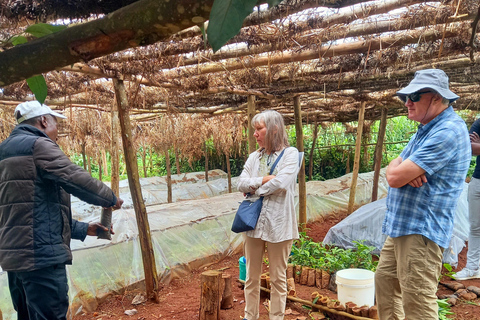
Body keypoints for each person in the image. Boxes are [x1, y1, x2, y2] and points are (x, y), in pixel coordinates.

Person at [0, 101, 124, 320]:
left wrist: (83, 229)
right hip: (41, 257)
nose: (57, 131)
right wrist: (109, 198)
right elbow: (75, 178)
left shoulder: (4, 151)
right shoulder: (37, 145)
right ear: (44, 120)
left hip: (15, 259)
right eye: (55, 123)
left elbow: (25, 210)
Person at [374, 69, 471, 320]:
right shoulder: (426, 128)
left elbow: (394, 177)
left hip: (420, 230)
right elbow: (393, 167)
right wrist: (400, 167)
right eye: (406, 97)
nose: (407, 102)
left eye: (415, 96)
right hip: (402, 226)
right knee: (385, 284)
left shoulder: (448, 130)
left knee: (417, 302)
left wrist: (400, 170)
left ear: (436, 98)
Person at [237, 110, 300, 320]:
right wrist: (263, 180)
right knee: (251, 277)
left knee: (278, 278)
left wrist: (253, 187)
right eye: (254, 129)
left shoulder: (291, 154)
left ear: (274, 129)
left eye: (259, 129)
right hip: (253, 224)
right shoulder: (254, 157)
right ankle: (250, 316)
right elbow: (240, 183)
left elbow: (281, 183)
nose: (255, 134)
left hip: (280, 225)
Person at [454, 120, 480, 280]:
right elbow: (470, 148)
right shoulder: (479, 124)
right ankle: (472, 268)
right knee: (475, 226)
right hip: (478, 181)